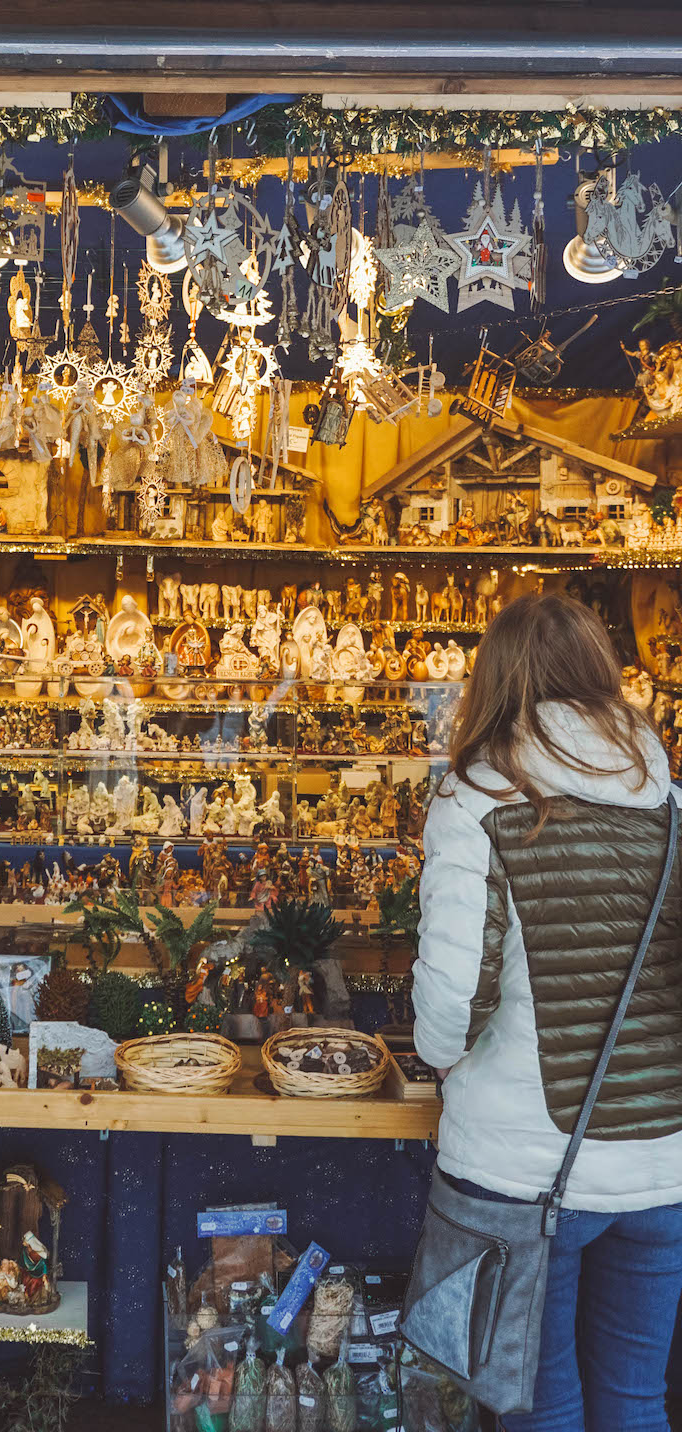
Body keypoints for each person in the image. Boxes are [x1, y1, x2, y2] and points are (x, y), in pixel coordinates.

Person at [413, 593, 682, 1432]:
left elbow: (449, 1013)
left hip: (527, 1171)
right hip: (662, 1163)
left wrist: (446, 1059)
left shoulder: (479, 802)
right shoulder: (669, 806)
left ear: (493, 681)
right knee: (636, 1400)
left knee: (539, 1404)